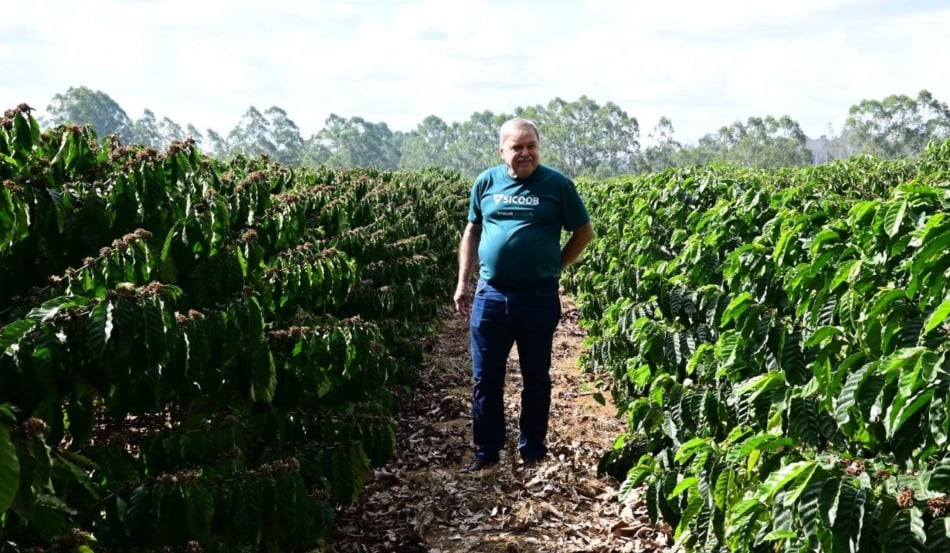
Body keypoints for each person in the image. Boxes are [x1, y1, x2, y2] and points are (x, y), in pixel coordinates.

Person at [453, 117, 595, 472]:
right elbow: (472, 230)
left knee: (536, 377)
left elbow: (583, 231)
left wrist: (555, 266)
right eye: (517, 147)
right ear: (503, 150)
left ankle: (532, 449)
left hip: (537, 296)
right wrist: (462, 282)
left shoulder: (557, 185)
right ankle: (487, 451)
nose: (525, 153)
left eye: (531, 145)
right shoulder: (486, 182)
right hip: (491, 295)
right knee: (486, 377)